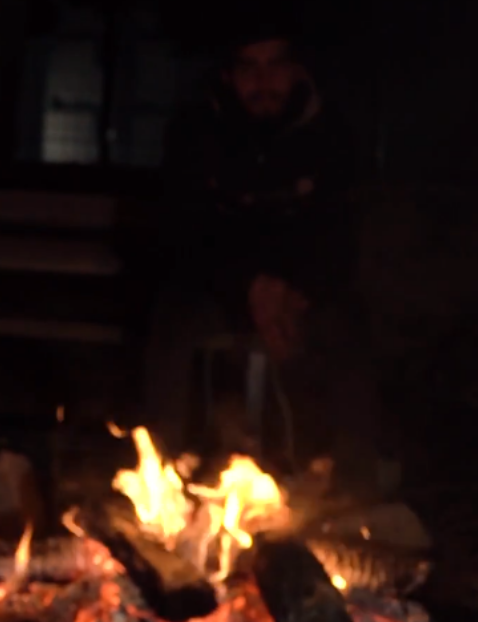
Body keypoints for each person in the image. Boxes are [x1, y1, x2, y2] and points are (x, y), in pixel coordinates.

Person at [142, 23, 374, 462]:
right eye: (249, 67)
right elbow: (185, 230)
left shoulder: (328, 133)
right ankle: (160, 470)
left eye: (275, 65)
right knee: (173, 322)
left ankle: (352, 481)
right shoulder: (198, 131)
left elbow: (339, 231)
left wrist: (294, 291)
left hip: (299, 291)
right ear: (228, 75)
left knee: (347, 331)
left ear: (297, 70)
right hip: (220, 288)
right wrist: (248, 288)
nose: (263, 81)